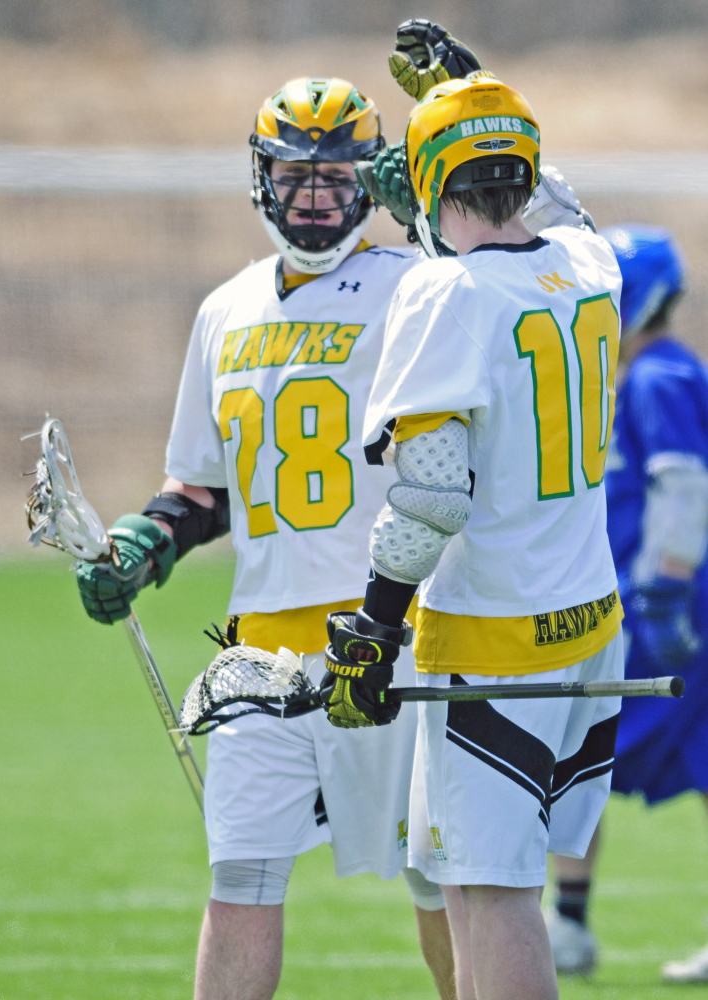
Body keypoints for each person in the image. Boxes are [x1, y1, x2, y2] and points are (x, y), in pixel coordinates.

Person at [72, 71, 469, 1000]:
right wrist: (146, 542)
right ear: (262, 179)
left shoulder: (418, 290)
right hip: (259, 652)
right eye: (299, 177)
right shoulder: (225, 308)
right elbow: (201, 488)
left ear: (371, 181)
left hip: (394, 637)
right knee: (240, 878)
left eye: (340, 178)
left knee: (441, 882)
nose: (319, 197)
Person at [317, 71, 624, 1000]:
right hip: (587, 624)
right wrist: (468, 84)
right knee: (461, 880)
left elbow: (432, 497)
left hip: (495, 635)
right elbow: (559, 202)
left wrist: (372, 625)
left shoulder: (445, 292)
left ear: (423, 178)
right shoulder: (586, 265)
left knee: (492, 894)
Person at [546, 225, 708, 983]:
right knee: (579, 757)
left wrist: (664, 590)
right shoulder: (626, 378)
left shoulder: (658, 378)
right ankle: (566, 925)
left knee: (583, 753)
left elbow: (683, 487)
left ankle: (567, 925)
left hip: (662, 609)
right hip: (622, 605)